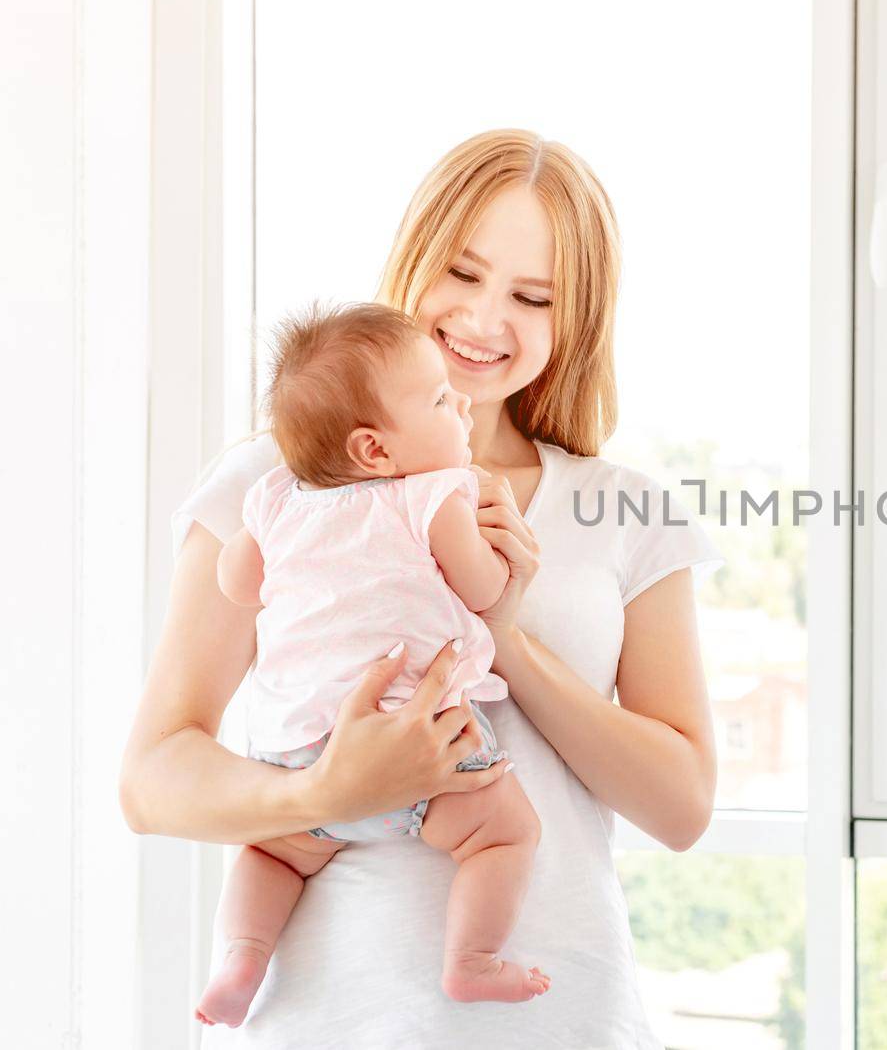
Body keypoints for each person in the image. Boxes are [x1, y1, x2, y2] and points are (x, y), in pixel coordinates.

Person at [121, 129, 722, 1047]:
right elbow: (152, 780)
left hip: (563, 1018)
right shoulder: (274, 484)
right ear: (416, 260)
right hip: (329, 1018)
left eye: (533, 296)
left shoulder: (625, 509)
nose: (485, 321)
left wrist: (506, 636)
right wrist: (325, 789)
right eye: (464, 274)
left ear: (578, 320)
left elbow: (681, 808)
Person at [196, 304, 546, 1028]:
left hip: (299, 754)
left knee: (268, 853)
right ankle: (471, 958)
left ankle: (242, 955)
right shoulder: (434, 493)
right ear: (375, 451)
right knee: (506, 834)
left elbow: (238, 583)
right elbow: (483, 592)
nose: (464, 403)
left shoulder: (274, 496)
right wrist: (509, 559)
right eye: (442, 401)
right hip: (425, 741)